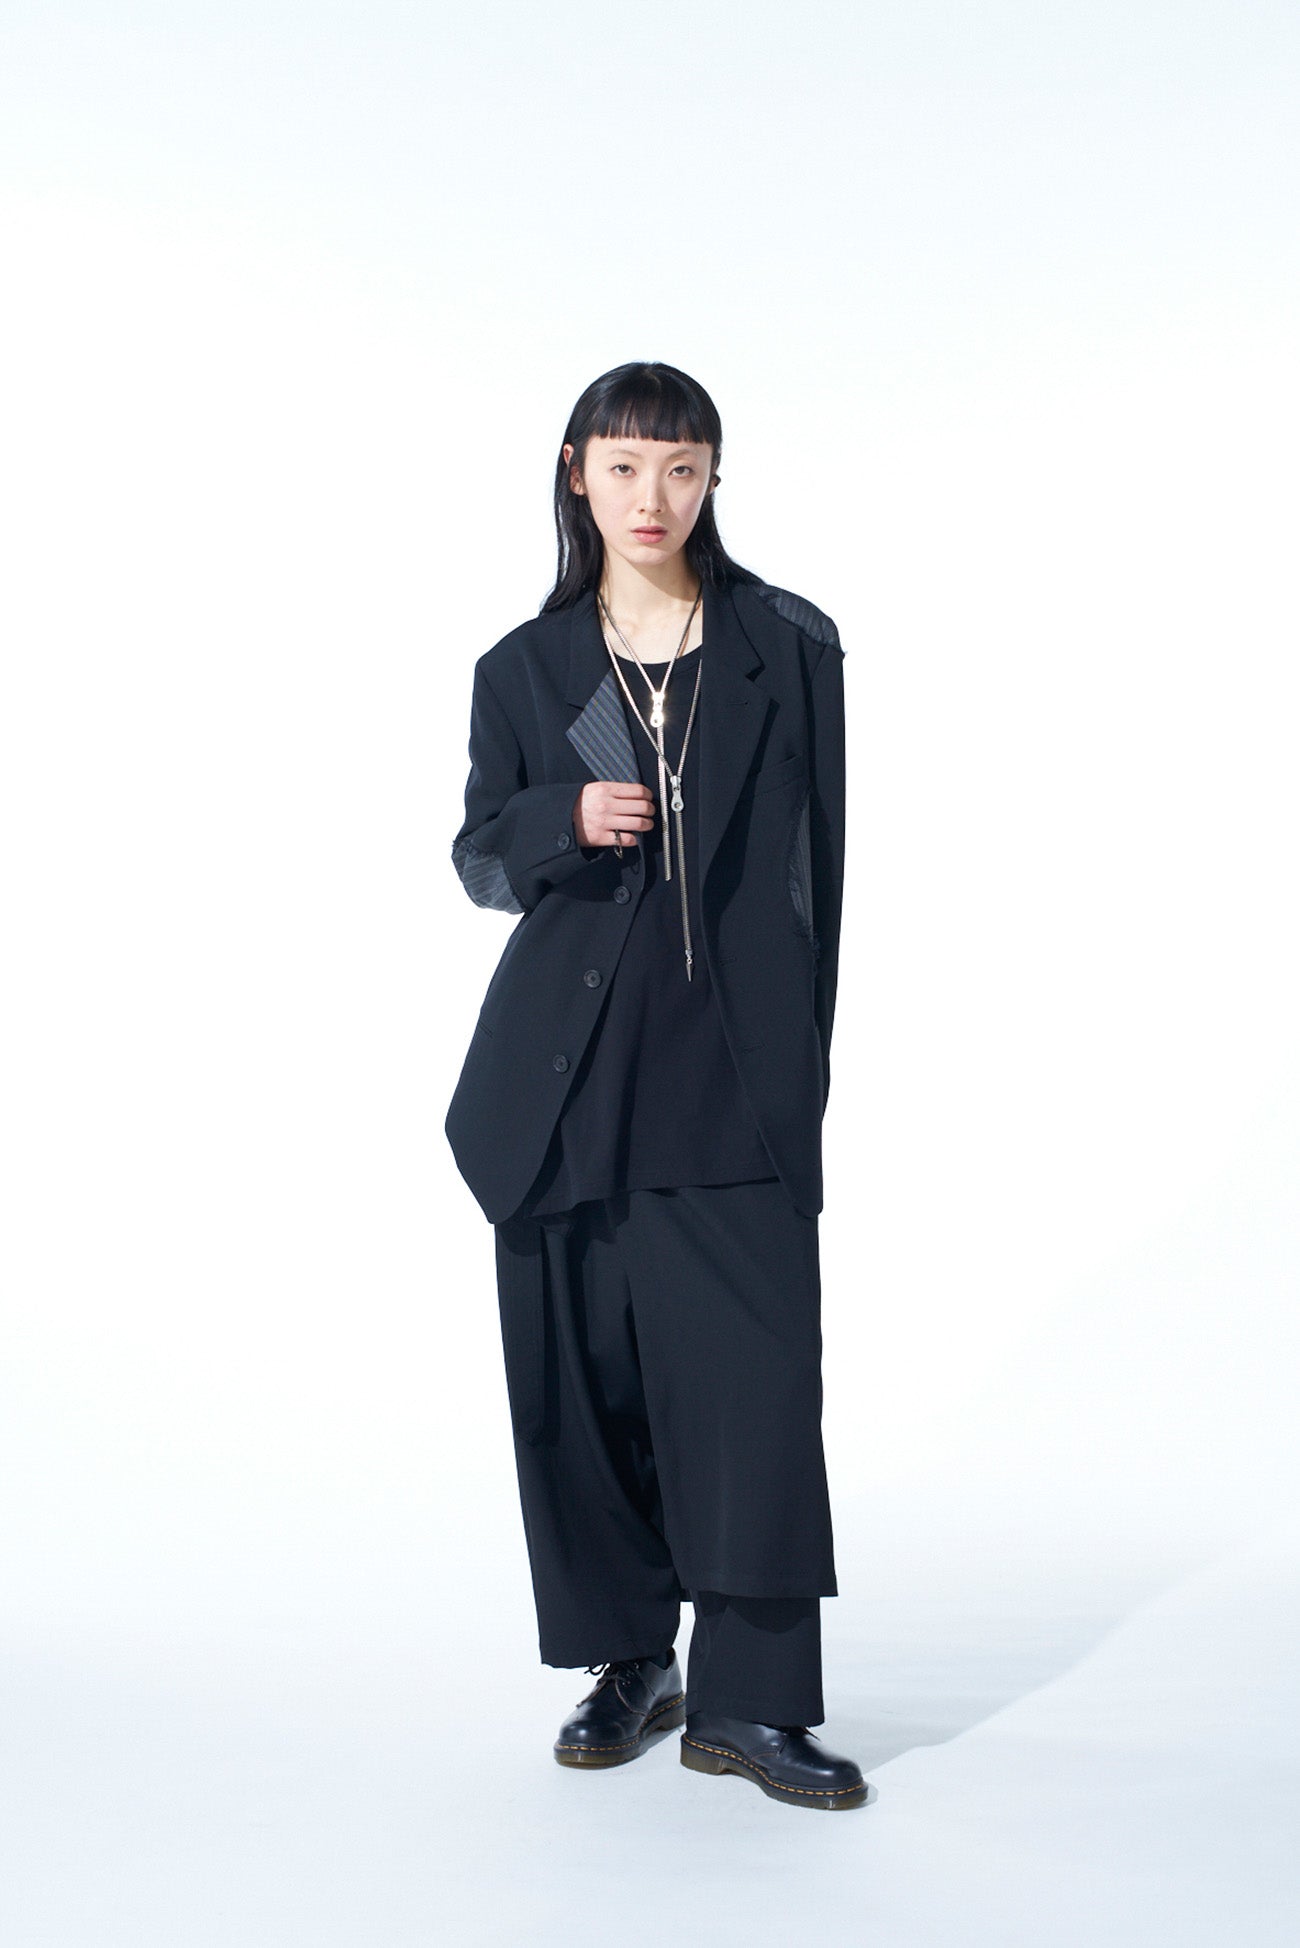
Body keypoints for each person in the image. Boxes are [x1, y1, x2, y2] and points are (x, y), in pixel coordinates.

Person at [445, 361, 867, 1811]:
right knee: (583, 1389)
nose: (652, 496)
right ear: (577, 473)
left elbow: (821, 873)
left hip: (732, 1082)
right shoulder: (525, 668)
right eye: (624, 466)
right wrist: (560, 815)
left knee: (755, 1397)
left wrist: (803, 1064)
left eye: (681, 467)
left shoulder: (785, 645)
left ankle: (752, 1705)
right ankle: (630, 1662)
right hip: (560, 1089)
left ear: (712, 480)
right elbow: (480, 861)